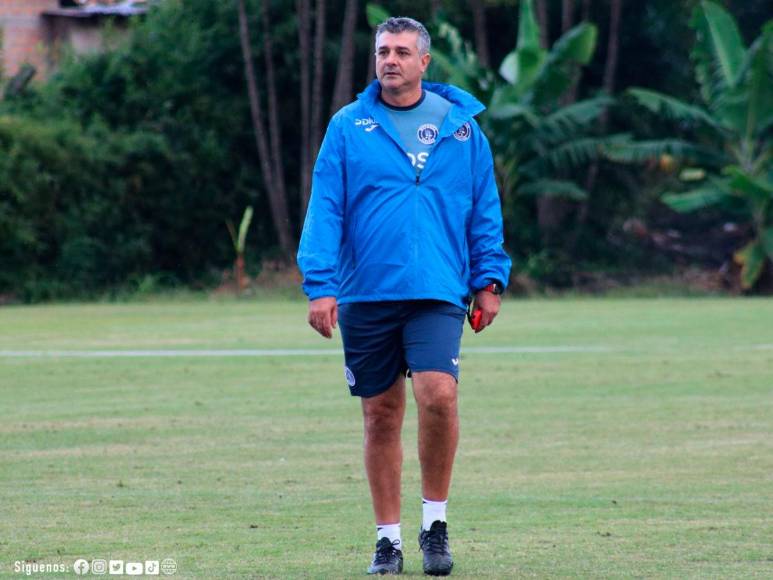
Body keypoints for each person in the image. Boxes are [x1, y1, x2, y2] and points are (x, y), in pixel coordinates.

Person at [297, 16, 511, 576]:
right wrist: (321, 286)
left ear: (424, 62)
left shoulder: (462, 128)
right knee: (380, 415)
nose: (389, 60)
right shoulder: (348, 126)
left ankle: (434, 525)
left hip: (438, 289)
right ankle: (387, 540)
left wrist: (489, 280)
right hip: (366, 292)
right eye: (382, 51)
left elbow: (483, 208)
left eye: (400, 52)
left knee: (439, 396)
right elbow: (326, 209)